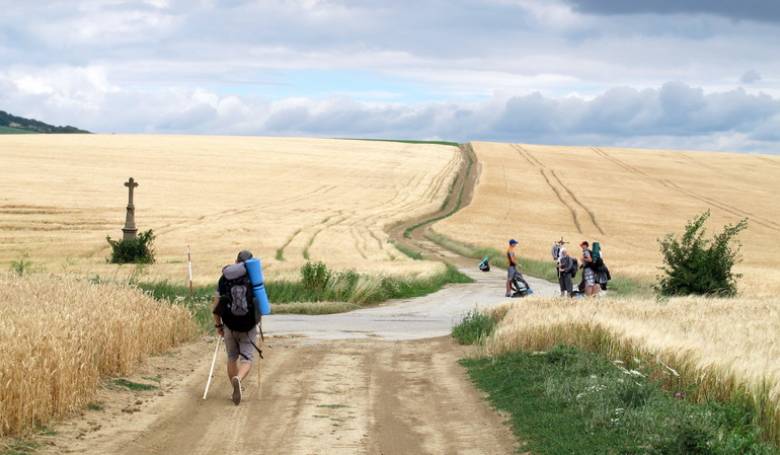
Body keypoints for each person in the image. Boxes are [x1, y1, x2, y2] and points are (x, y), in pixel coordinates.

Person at [212, 249, 261, 405]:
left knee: (232, 357)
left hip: (229, 324)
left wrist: (218, 325)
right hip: (248, 325)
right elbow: (261, 303)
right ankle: (238, 379)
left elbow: (216, 304)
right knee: (247, 359)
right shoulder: (254, 277)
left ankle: (235, 386)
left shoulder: (224, 278)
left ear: (236, 261)